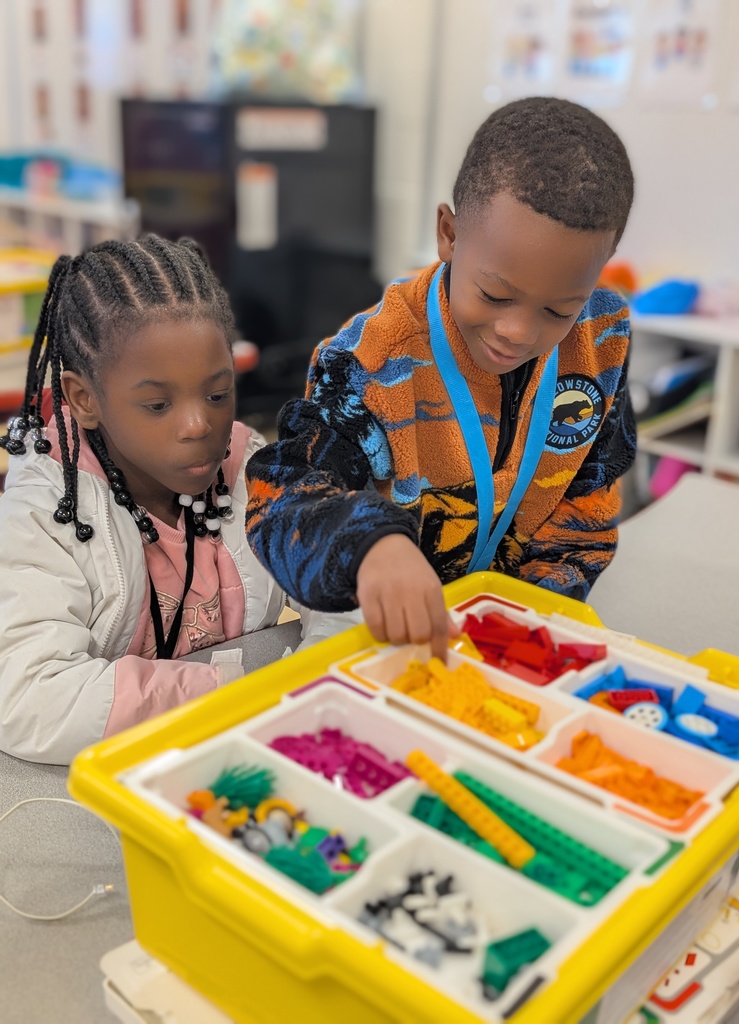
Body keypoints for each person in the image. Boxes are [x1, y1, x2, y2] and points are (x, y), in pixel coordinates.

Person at [245, 97, 636, 658]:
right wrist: (369, 544)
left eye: (558, 311)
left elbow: (588, 503)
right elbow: (278, 496)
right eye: (496, 295)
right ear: (449, 234)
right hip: (379, 631)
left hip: (513, 630)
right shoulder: (368, 364)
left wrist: (532, 615)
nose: (518, 332)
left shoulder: (602, 337)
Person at [0, 235, 352, 765]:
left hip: (236, 753)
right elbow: (28, 697)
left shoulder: (244, 462)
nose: (199, 425)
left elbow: (335, 589)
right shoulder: (45, 513)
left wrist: (307, 689)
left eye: (217, 394)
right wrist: (228, 695)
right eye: (158, 404)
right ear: (83, 399)